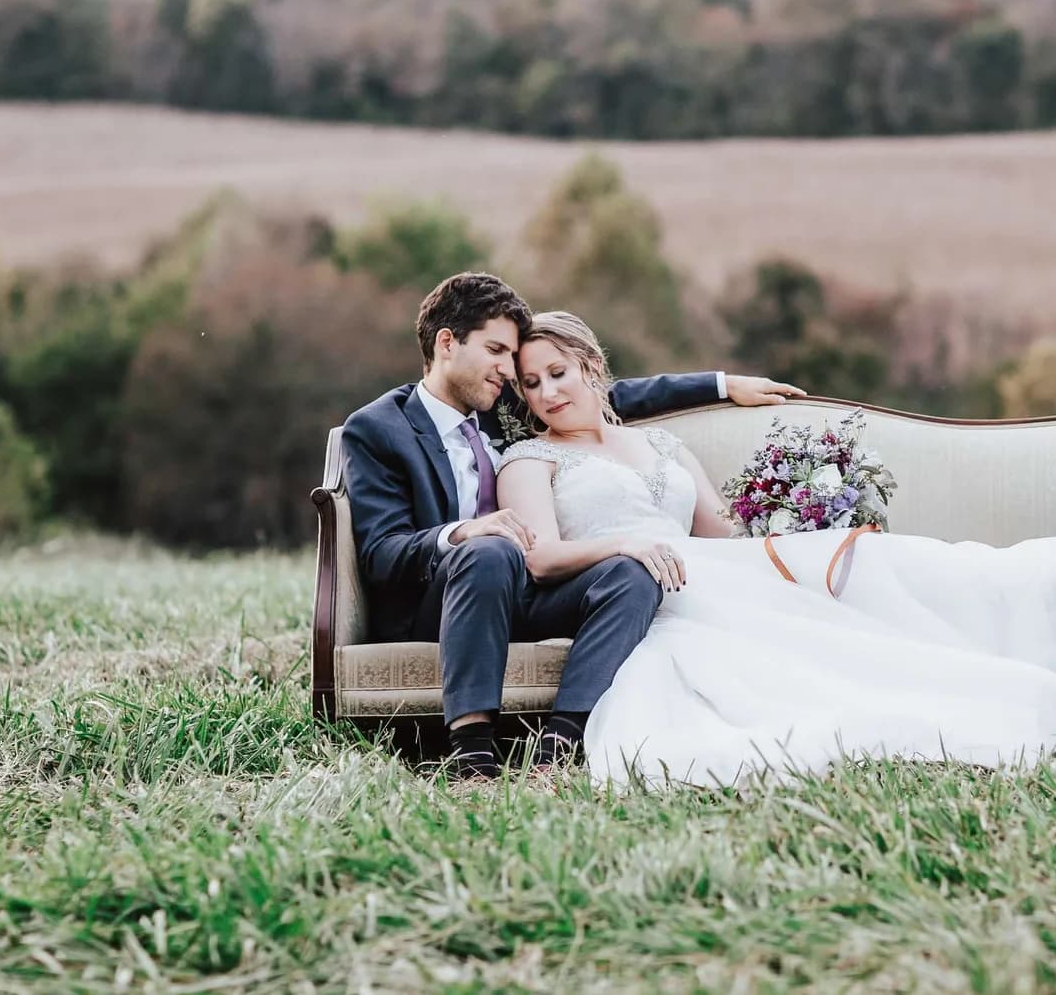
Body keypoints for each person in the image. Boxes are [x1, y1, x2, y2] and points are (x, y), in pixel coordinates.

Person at [497, 311, 1056, 788]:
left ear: (591, 367)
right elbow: (542, 559)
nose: (548, 392)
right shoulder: (530, 457)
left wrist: (796, 519)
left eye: (558, 373)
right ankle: (1047, 625)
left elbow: (725, 535)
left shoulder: (662, 445)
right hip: (638, 594)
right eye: (531, 384)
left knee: (871, 558)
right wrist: (626, 542)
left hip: (714, 572)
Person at [339, 272, 803, 780]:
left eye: (512, 362)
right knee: (490, 549)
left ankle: (561, 743)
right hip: (443, 599)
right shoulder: (379, 428)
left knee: (631, 571)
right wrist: (459, 533)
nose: (507, 371)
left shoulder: (502, 404)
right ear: (447, 343)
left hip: (528, 593)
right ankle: (472, 754)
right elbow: (383, 554)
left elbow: (605, 394)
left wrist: (724, 385)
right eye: (496, 351)